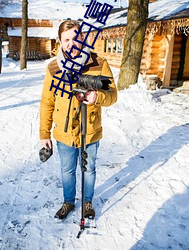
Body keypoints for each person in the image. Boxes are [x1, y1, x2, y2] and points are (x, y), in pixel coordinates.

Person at [39, 20, 117, 220]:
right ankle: (68, 202)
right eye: (66, 40)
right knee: (67, 170)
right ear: (60, 42)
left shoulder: (99, 63)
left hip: (90, 130)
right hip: (64, 133)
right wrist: (44, 134)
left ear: (82, 39)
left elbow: (112, 95)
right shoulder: (53, 68)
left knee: (89, 168)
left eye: (76, 38)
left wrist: (97, 97)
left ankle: (88, 202)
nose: (71, 43)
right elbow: (47, 102)